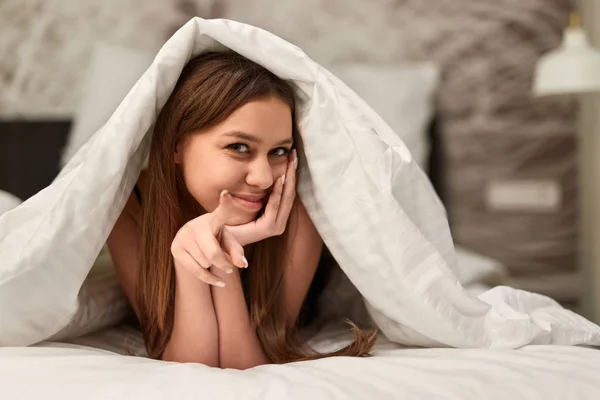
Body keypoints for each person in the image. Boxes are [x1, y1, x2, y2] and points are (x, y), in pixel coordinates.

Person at [106, 51, 376, 369]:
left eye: (279, 151)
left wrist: (227, 246)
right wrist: (186, 260)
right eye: (239, 147)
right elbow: (188, 365)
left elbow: (243, 365)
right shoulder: (131, 204)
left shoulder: (298, 211)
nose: (262, 178)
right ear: (176, 145)